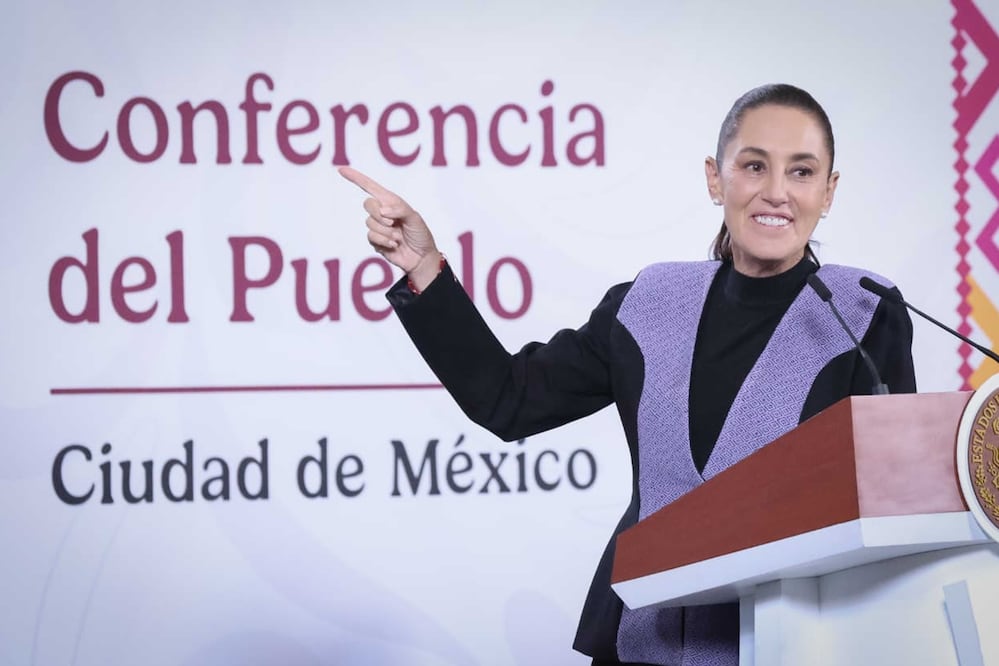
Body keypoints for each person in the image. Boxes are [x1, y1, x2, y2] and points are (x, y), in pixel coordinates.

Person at [339, 83, 916, 666]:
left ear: (829, 190)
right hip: (638, 643)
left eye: (802, 172)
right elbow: (507, 399)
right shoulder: (648, 303)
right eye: (754, 166)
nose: (776, 192)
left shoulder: (865, 311)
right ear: (716, 179)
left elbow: (894, 513)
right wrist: (425, 269)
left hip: (790, 646)